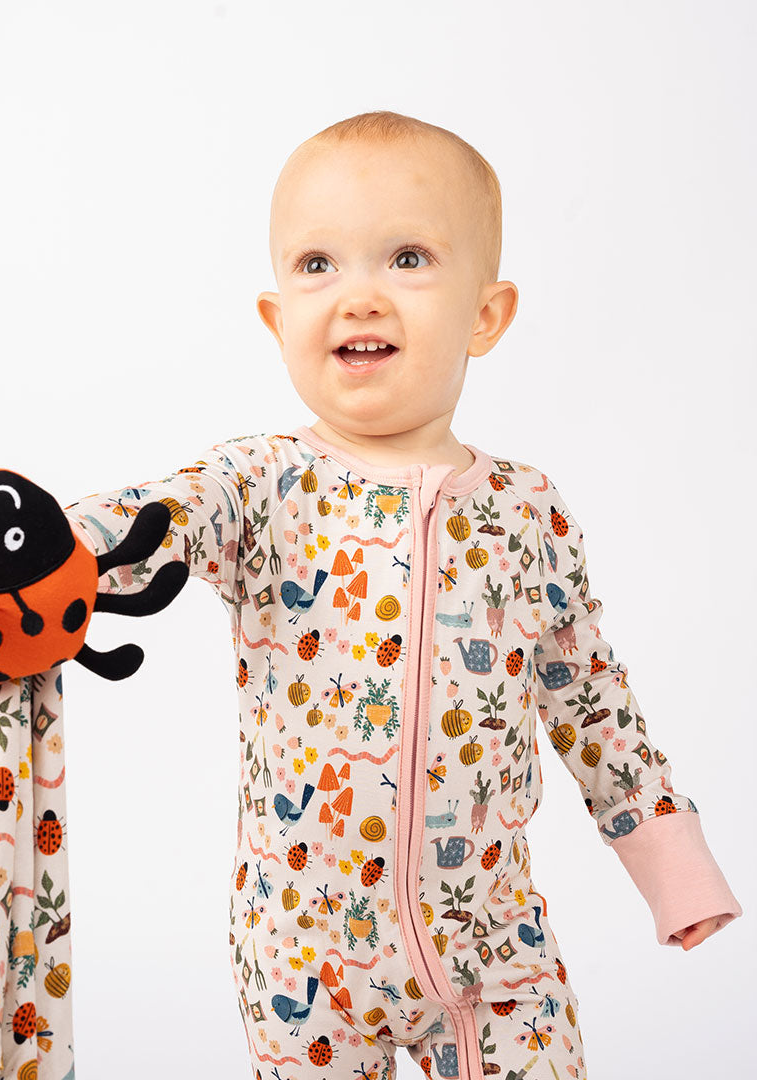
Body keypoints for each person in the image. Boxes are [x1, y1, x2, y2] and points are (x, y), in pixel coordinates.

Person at [61, 110, 742, 1080]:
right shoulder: (262, 484)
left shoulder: (526, 511)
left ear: (485, 316)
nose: (360, 297)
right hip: (305, 960)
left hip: (493, 947)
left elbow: (591, 698)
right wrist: (32, 549)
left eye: (408, 258)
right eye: (317, 265)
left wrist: (673, 861)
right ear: (276, 321)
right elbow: (157, 517)